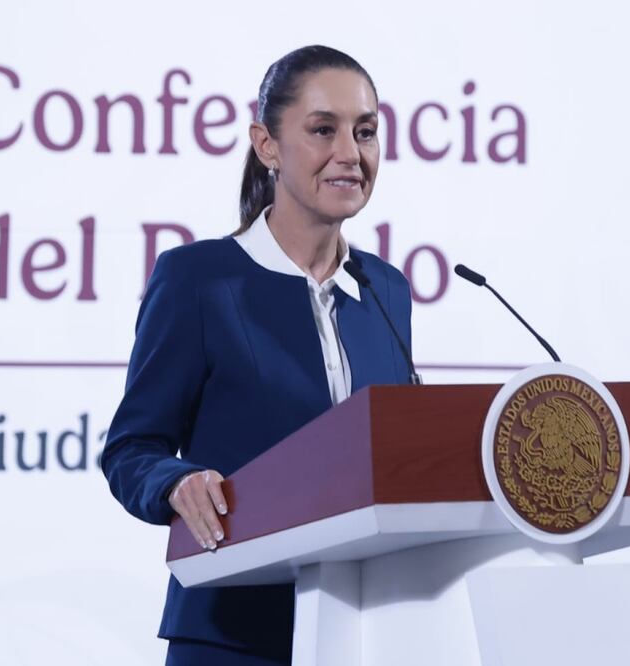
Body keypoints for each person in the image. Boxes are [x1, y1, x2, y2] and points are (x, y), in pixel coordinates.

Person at [100, 45, 414, 666]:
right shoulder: (198, 280)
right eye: (322, 130)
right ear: (267, 145)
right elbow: (131, 449)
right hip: (233, 633)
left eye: (365, 131)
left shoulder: (386, 289)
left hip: (368, 632)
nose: (350, 153)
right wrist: (177, 482)